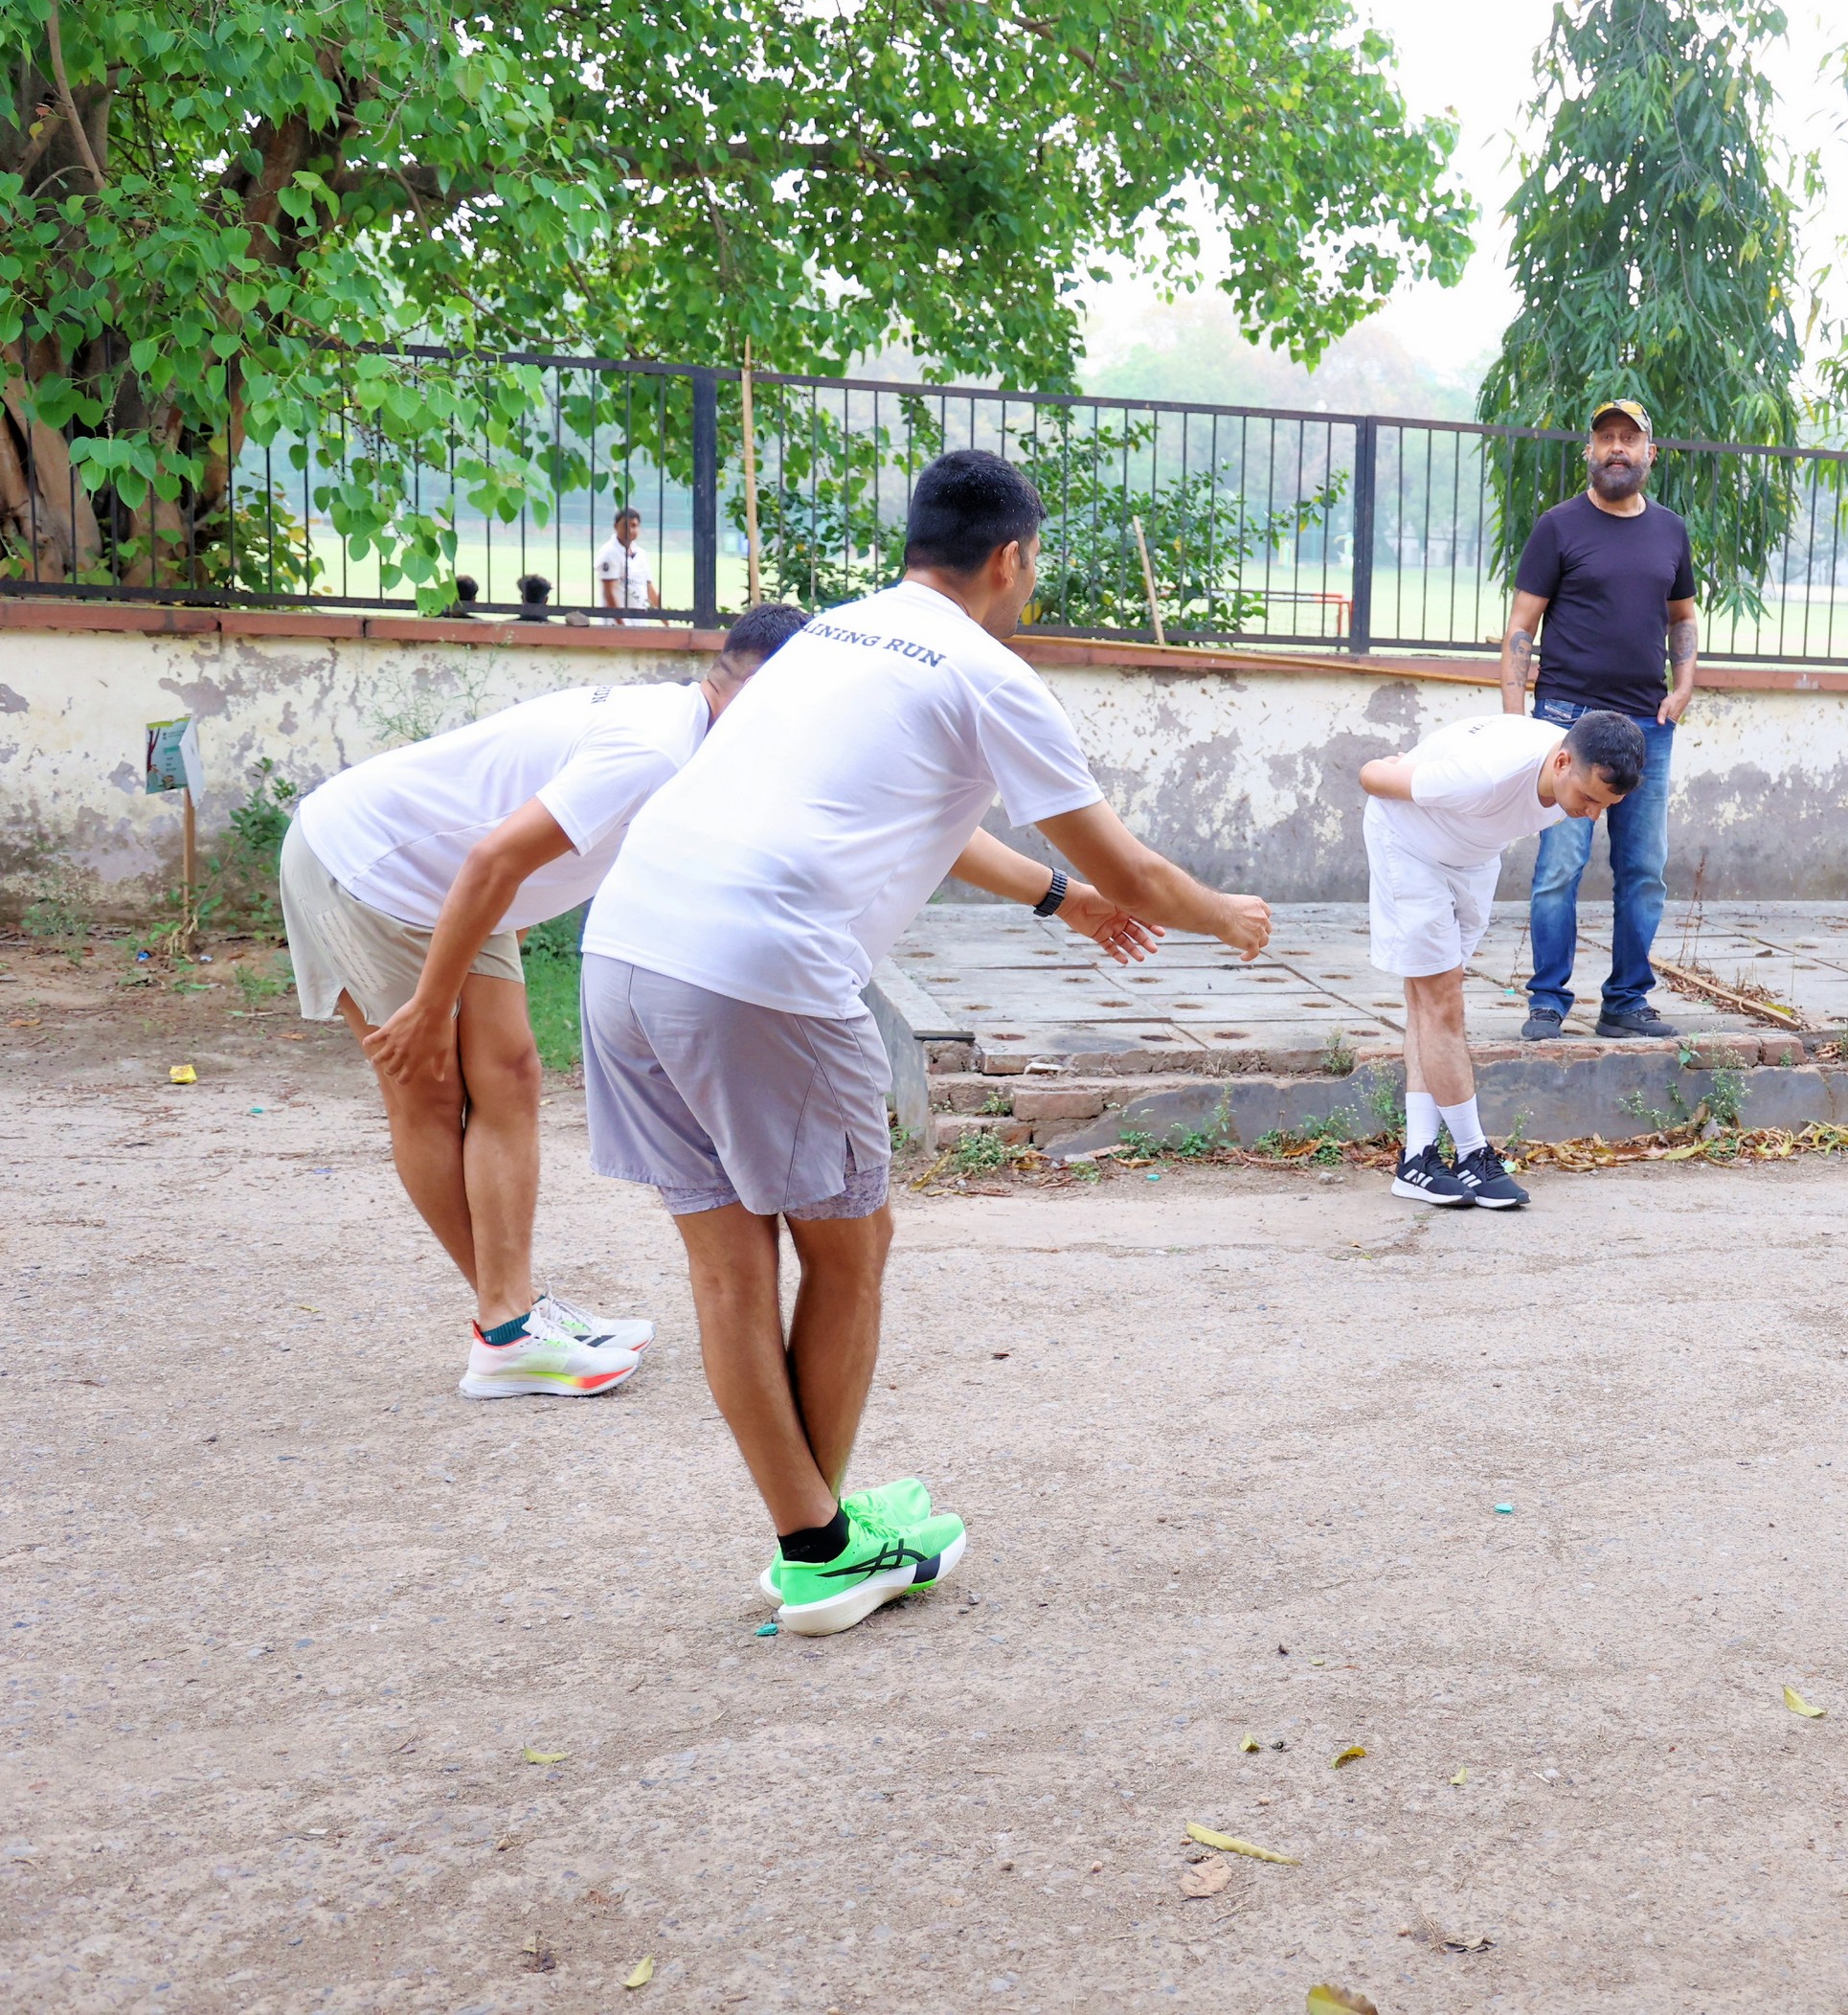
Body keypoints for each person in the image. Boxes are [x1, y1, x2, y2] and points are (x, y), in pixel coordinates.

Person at [576, 449, 1273, 1638]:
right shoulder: (987, 672)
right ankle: (821, 1551)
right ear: (1010, 557)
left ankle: (818, 1535)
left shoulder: (831, 637)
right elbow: (1137, 868)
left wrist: (1057, 899)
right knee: (851, 1249)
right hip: (763, 974)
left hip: (627, 952)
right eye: (1033, 561)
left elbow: (911, 814)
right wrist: (1224, 916)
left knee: (729, 1268)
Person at [281, 601, 812, 1402]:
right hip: (367, 868)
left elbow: (517, 851)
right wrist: (430, 1004)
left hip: (456, 886)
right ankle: (506, 1328)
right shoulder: (653, 749)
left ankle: (517, 1310)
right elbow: (497, 856)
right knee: (428, 1093)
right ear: (761, 693)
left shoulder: (688, 738)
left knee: (512, 1076)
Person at [1358, 709, 1651, 1209]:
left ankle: (1417, 1160)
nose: (1591, 815)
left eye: (1606, 806)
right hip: (1409, 846)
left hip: (1472, 858)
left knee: (1428, 1002)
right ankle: (1472, 1155)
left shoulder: (1572, 769)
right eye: (1588, 799)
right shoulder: (1484, 776)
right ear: (1562, 762)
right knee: (1442, 1000)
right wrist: (1395, 767)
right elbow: (1371, 777)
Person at [1500, 398, 1697, 1043]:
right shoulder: (1557, 527)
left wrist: (1684, 685)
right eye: (1606, 437)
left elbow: (1682, 616)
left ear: (1649, 453)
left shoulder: (1670, 530)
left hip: (1647, 724)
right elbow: (1521, 625)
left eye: (1629, 438)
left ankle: (1626, 1003)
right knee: (1559, 867)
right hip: (1567, 720)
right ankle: (1547, 1001)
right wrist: (1515, 723)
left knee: (1644, 871)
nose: (1617, 447)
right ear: (1589, 450)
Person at [595, 509, 660, 615]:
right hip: (616, 623)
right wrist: (620, 622)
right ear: (616, 526)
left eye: (634, 526)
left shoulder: (640, 554)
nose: (630, 530)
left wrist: (666, 620)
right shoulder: (609, 553)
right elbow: (609, 593)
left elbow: (650, 591)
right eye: (625, 525)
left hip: (639, 622)